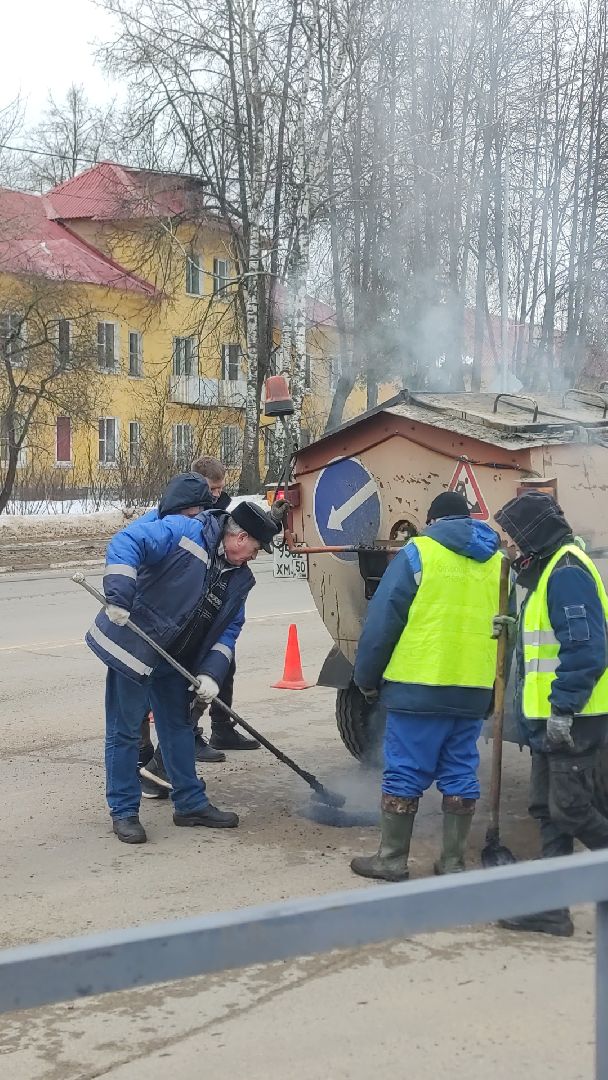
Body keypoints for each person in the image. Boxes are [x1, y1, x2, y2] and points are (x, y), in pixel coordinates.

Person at [86, 498, 279, 844]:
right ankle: (124, 812)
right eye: (256, 548)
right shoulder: (186, 531)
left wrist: (210, 674)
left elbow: (229, 630)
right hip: (137, 647)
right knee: (126, 732)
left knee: (178, 730)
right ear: (240, 537)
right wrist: (119, 594)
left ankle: (189, 804)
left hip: (176, 662)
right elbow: (126, 542)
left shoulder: (240, 580)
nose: (255, 556)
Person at [350, 491, 504, 882]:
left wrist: (366, 679)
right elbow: (509, 633)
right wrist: (494, 692)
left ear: (432, 521)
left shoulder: (418, 553)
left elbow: (383, 622)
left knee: (405, 771)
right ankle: (452, 863)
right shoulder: (499, 562)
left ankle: (391, 860)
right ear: (470, 520)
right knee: (460, 772)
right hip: (473, 689)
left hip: (418, 687)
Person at [494, 490, 608, 937]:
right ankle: (551, 908)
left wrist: (562, 709)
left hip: (573, 720)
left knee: (572, 811)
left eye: (515, 540)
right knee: (547, 809)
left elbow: (586, 650)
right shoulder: (547, 572)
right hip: (551, 720)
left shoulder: (565, 573)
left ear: (534, 536)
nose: (511, 548)